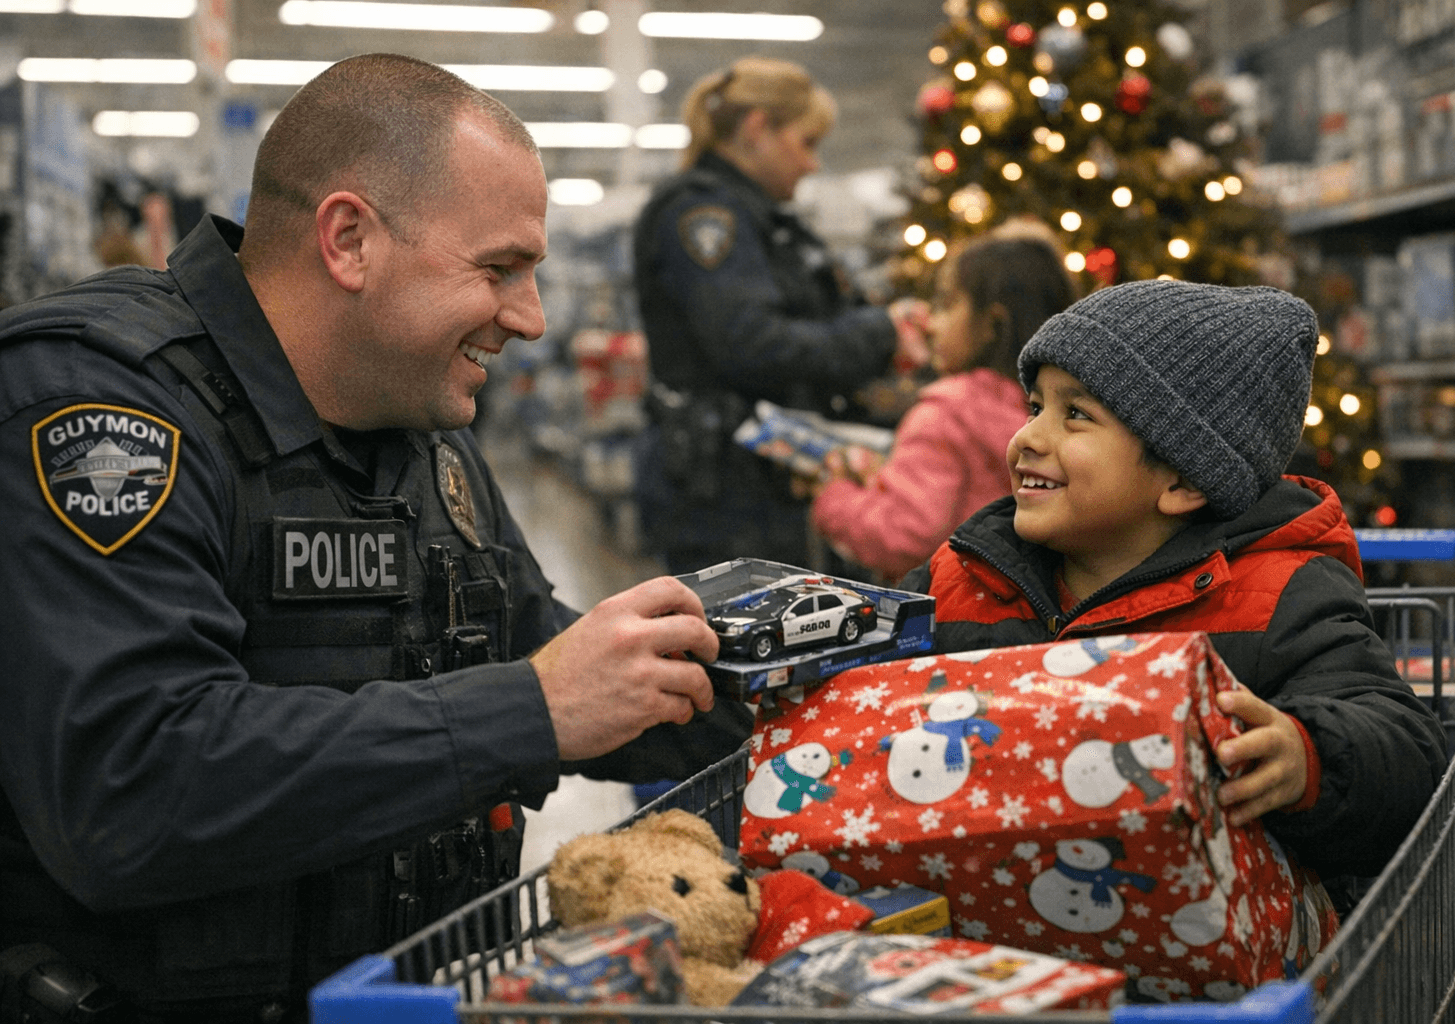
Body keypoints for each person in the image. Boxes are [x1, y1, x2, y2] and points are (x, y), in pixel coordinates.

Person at [0, 54, 751, 1022]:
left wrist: (824, 696)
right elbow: (133, 785)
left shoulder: (421, 427)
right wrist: (528, 710)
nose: (531, 318)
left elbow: (541, 647)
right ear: (349, 240)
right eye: (499, 269)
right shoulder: (99, 407)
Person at [900, 280, 1446, 883]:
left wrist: (1306, 755)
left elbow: (1406, 749)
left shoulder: (1276, 598)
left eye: (1075, 415)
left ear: (1184, 482)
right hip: (984, 930)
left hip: (1190, 948)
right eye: (1036, 407)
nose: (1028, 436)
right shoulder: (965, 573)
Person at [632, 56, 929, 575]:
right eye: (806, 143)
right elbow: (752, 342)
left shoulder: (767, 221)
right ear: (757, 129)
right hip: (727, 495)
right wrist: (880, 333)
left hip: (761, 483)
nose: (812, 164)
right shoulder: (705, 215)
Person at [808, 224, 1077, 582]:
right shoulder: (1061, 408)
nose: (932, 323)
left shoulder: (946, 414)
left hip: (951, 610)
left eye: (948, 305)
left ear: (993, 324)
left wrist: (833, 496)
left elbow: (902, 536)